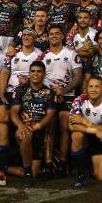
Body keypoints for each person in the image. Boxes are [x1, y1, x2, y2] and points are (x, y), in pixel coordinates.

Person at [39, 25, 83, 177]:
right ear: (48, 36)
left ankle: (63, 162)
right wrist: (52, 92)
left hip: (68, 95)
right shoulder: (43, 56)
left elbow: (78, 76)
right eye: (51, 34)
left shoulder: (71, 53)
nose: (54, 36)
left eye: (57, 33)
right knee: (49, 125)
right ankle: (48, 163)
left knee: (65, 125)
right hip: (49, 96)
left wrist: (63, 91)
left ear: (63, 36)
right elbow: (39, 77)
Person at [8, 61, 57, 187]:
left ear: (44, 74)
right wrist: (20, 126)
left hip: (40, 132)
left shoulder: (49, 93)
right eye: (33, 71)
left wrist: (37, 126)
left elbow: (50, 115)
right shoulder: (20, 90)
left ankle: (4, 168)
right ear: (29, 73)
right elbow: (13, 112)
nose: (35, 74)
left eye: (39, 71)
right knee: (26, 134)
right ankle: (27, 173)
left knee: (36, 173)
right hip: (22, 130)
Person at [69, 76, 102, 188]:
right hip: (86, 136)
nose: (93, 89)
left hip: (101, 140)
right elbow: (71, 126)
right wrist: (93, 130)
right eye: (90, 86)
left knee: (100, 177)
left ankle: (88, 167)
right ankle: (80, 175)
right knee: (76, 135)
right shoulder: (79, 100)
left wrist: (85, 121)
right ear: (86, 88)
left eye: (97, 86)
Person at [0, 28, 41, 104]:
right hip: (11, 92)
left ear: (35, 38)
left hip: (31, 92)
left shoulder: (40, 55)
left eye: (29, 35)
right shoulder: (12, 53)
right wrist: (1, 95)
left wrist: (29, 81)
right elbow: (4, 74)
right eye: (24, 35)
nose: (26, 37)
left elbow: (42, 75)